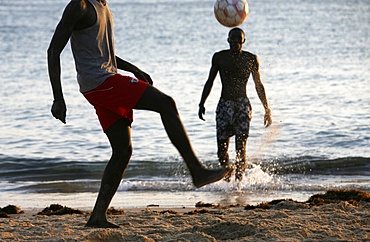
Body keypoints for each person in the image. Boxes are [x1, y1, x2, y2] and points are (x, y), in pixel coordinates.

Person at [47, 0, 232, 228]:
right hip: (102, 83)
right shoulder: (80, 6)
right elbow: (53, 49)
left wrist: (133, 68)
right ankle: (197, 171)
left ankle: (97, 217)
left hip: (100, 83)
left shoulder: (104, 8)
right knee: (166, 104)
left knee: (123, 150)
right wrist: (58, 97)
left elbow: (103, 55)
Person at [198, 27, 272, 182]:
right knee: (221, 150)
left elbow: (258, 84)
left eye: (239, 39)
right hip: (224, 105)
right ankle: (227, 180)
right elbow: (210, 81)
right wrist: (202, 102)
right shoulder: (219, 57)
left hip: (242, 106)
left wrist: (267, 109)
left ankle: (238, 184)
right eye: (233, 39)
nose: (236, 42)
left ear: (243, 41)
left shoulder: (251, 59)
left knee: (241, 148)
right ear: (228, 40)